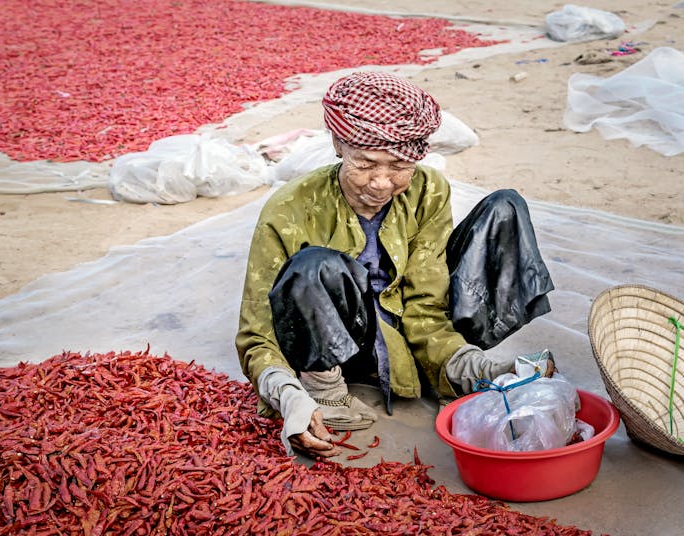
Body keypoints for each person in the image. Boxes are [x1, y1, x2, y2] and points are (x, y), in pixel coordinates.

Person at [235, 71, 555, 459]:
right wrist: (289, 398)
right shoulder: (289, 208)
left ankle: (461, 364)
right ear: (338, 144)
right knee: (315, 265)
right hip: (342, 342)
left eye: (399, 167)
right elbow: (257, 333)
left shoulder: (429, 190)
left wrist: (463, 362)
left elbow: (425, 300)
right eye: (366, 164)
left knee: (505, 208)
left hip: (411, 327)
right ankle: (326, 390)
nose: (382, 183)